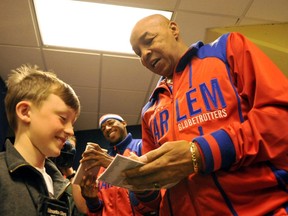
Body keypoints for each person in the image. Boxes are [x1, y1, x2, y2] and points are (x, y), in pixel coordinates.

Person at [123, 14, 288, 215]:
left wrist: (199, 154)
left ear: (174, 29)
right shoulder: (149, 110)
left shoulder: (227, 49)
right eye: (137, 53)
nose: (144, 55)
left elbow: (281, 119)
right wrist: (142, 185)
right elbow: (158, 197)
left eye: (149, 41)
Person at [0, 64, 81, 215]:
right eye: (63, 118)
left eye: (72, 123)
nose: (70, 131)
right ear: (25, 112)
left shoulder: (60, 185)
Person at [75, 114, 158, 215]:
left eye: (110, 123)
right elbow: (98, 210)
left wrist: (113, 164)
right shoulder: (100, 164)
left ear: (124, 123)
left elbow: (156, 190)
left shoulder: (142, 146)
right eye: (103, 128)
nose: (107, 128)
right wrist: (92, 201)